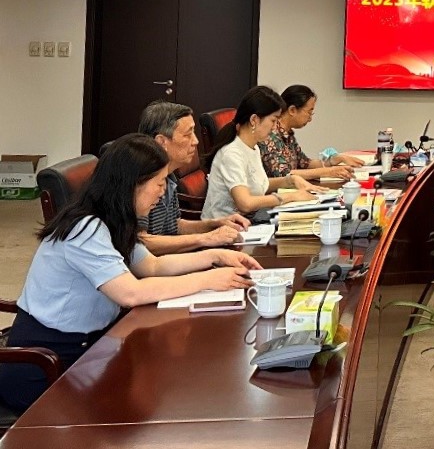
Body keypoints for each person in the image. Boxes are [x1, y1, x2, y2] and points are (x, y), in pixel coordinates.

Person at [0, 134, 259, 413]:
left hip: (92, 348)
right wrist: (208, 279)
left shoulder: (115, 219)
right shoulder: (85, 229)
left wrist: (215, 256)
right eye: (158, 183)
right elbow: (130, 293)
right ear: (132, 184)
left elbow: (152, 266)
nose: (162, 192)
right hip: (46, 364)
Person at [137, 100, 250, 254]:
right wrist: (205, 238)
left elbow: (174, 225)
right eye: (187, 134)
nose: (196, 141)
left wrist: (215, 224)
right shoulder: (141, 180)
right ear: (162, 142)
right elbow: (141, 242)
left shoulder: (169, 176)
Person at [202, 86, 325, 219]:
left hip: (247, 220)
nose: (275, 127)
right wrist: (290, 196)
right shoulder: (231, 154)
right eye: (273, 120)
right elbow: (245, 203)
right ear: (254, 120)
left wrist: (291, 180)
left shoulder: (253, 147)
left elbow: (260, 184)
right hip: (224, 227)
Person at [258, 84, 363, 181]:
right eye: (309, 112)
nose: (310, 119)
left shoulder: (287, 134)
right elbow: (284, 174)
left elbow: (305, 163)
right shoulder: (271, 133)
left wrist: (335, 160)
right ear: (292, 110)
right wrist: (327, 172)